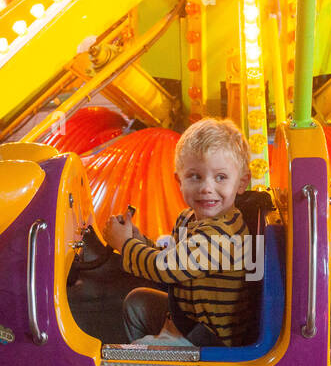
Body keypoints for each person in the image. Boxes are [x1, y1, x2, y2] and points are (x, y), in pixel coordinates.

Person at [104, 118, 254, 347]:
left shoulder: (223, 236)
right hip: (186, 318)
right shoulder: (187, 218)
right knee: (137, 302)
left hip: (207, 340)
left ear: (242, 183)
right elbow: (176, 261)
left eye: (220, 177)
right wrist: (137, 240)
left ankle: (156, 365)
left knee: (133, 352)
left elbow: (164, 269)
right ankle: (160, 351)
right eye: (195, 176)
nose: (206, 187)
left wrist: (125, 246)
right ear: (179, 181)